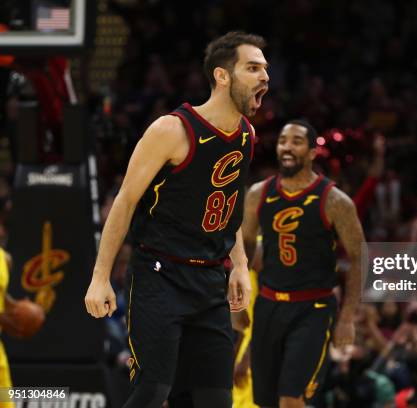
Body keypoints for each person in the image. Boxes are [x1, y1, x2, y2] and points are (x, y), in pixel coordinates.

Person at [84, 31, 269, 408]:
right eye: (253, 68)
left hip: (209, 281)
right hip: (159, 276)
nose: (265, 76)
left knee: (215, 400)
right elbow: (125, 201)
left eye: (265, 69)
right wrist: (100, 277)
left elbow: (227, 209)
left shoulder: (246, 135)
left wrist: (239, 265)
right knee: (152, 392)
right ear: (222, 76)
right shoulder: (172, 129)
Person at [241, 119, 365, 407]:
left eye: (296, 141)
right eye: (283, 140)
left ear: (311, 152)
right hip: (268, 305)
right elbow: (244, 246)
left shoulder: (335, 200)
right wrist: (237, 301)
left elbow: (360, 257)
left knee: (291, 400)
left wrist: (347, 318)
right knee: (266, 402)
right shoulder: (258, 193)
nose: (287, 147)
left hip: (314, 309)